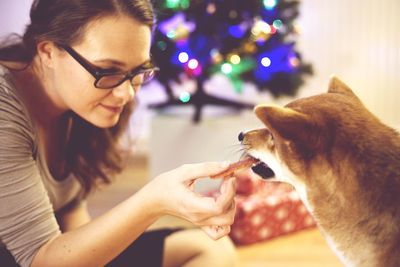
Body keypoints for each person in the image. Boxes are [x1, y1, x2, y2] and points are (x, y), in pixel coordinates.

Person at [0, 0, 238, 266]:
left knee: (208, 248)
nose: (126, 94)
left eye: (138, 71)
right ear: (48, 52)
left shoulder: (78, 100)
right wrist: (154, 201)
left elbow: (73, 220)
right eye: (107, 70)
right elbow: (43, 261)